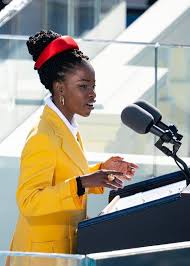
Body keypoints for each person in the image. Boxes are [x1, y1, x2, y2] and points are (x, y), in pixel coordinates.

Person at [8, 30, 138, 260]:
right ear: (60, 89)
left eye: (93, 86)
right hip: (40, 258)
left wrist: (101, 172)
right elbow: (29, 201)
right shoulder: (43, 136)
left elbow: (63, 178)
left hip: (63, 252)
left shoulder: (66, 127)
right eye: (83, 86)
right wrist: (83, 182)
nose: (93, 94)